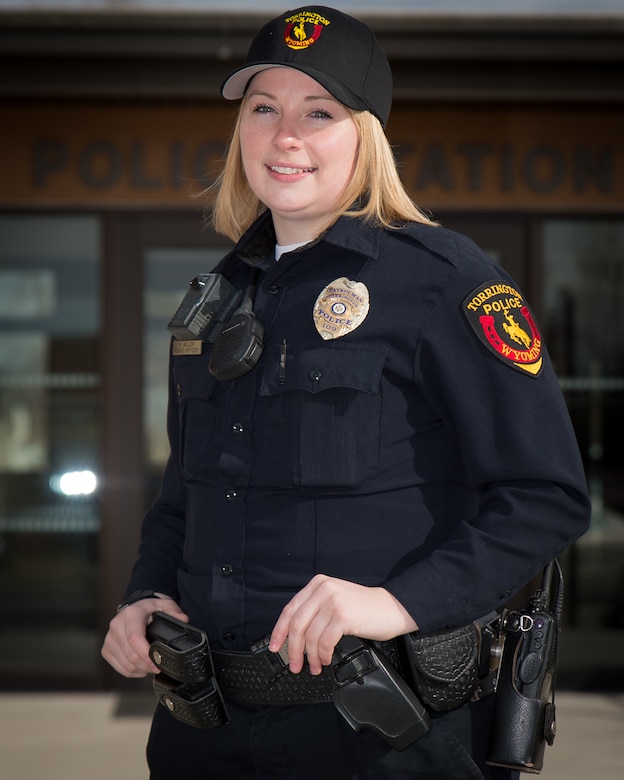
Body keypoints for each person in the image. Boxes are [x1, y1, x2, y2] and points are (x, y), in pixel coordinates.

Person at [101, 6, 591, 779]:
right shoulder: (218, 297)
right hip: (205, 732)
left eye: (319, 112)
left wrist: (399, 602)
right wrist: (146, 595)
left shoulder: (444, 279)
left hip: (378, 736)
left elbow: (545, 494)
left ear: (366, 136)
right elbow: (183, 499)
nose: (284, 135)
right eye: (264, 109)